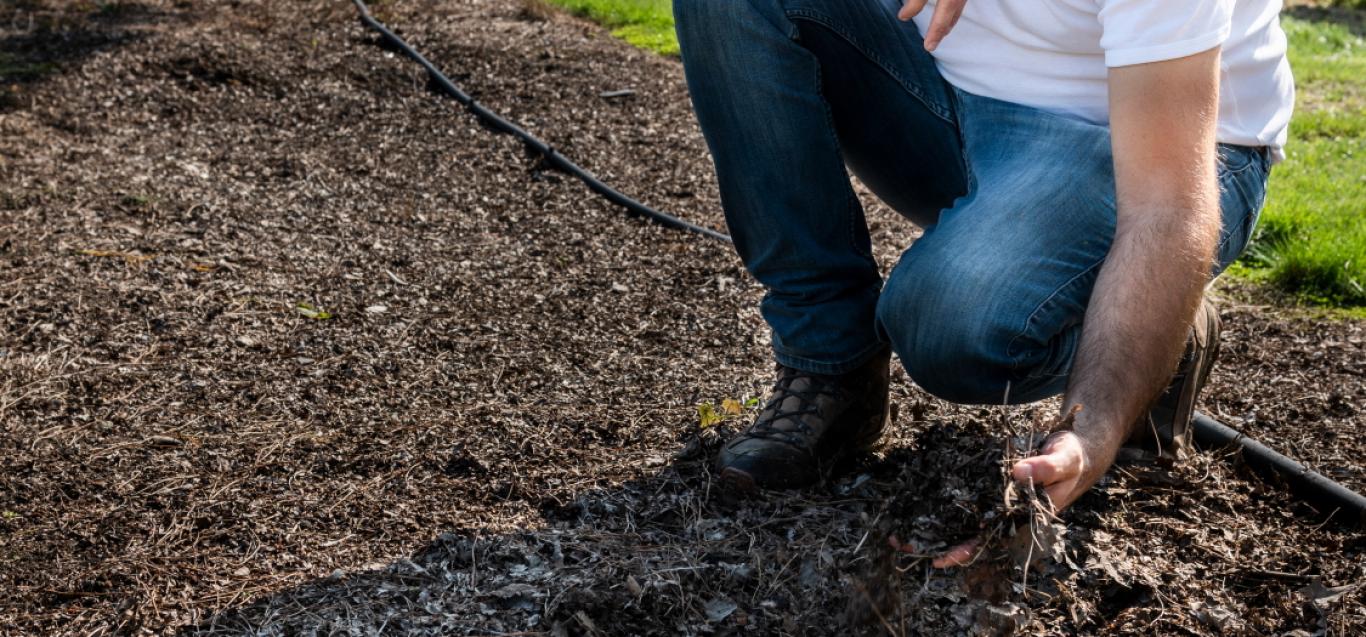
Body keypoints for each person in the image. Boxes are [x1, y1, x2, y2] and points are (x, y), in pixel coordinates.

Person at [673, 0, 1293, 566]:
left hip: (1141, 149)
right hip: (948, 99)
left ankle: (1160, 322)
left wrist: (1094, 427)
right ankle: (830, 365)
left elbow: (1167, 207)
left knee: (949, 329)